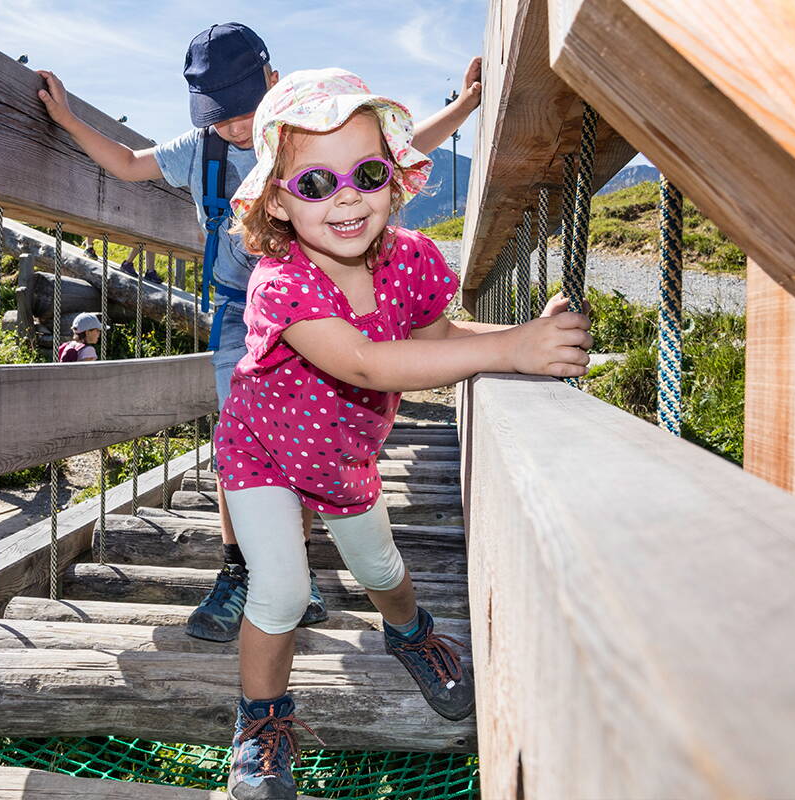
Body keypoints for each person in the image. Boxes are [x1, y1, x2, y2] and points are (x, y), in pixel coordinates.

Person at [36, 23, 484, 644]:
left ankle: (290, 563)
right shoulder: (201, 149)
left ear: (273, 84)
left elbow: (390, 149)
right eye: (218, 118)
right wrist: (65, 118)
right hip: (242, 309)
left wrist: (465, 106)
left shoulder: (304, 133)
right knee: (241, 437)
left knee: (311, 427)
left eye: (243, 111)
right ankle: (246, 566)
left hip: (322, 300)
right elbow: (127, 163)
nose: (234, 128)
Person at [218, 68, 592, 799]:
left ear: (396, 179)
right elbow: (364, 361)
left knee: (383, 569)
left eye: (365, 172)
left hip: (344, 453)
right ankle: (259, 723)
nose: (347, 196)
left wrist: (523, 336)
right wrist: (510, 352)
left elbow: (437, 336)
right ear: (279, 203)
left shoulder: (414, 261)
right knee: (282, 594)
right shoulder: (282, 281)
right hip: (259, 449)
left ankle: (410, 632)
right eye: (315, 184)